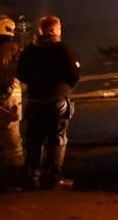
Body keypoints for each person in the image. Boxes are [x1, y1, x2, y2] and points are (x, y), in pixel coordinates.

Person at [16, 15, 80, 190]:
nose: (60, 32)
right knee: (56, 139)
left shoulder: (29, 51)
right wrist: (63, 89)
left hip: (34, 101)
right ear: (53, 30)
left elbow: (21, 74)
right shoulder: (63, 49)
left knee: (33, 140)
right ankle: (52, 178)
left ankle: (31, 176)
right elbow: (74, 74)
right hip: (56, 100)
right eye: (59, 28)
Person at [0, 14, 23, 181]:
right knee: (11, 138)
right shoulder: (12, 48)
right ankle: (14, 175)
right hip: (9, 100)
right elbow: (14, 71)